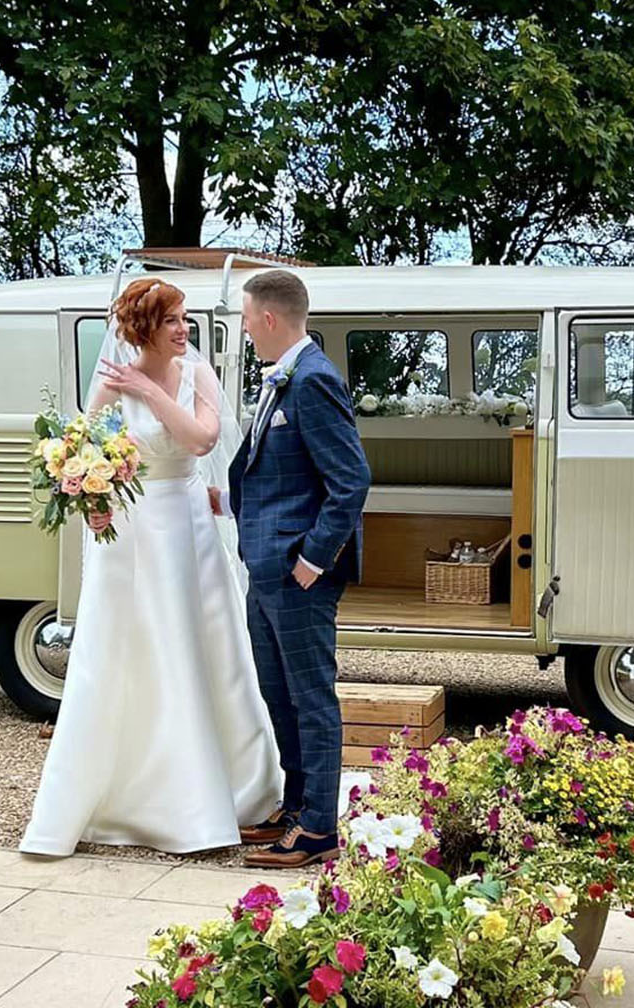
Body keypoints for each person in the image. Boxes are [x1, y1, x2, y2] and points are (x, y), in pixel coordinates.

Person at [18, 278, 282, 856]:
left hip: (185, 526)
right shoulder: (112, 384)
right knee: (122, 652)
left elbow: (201, 439)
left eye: (184, 319)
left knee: (198, 644)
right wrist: (92, 501)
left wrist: (150, 390)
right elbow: (85, 450)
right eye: (172, 321)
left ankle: (224, 791)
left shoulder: (196, 374)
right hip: (129, 532)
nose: (183, 329)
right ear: (144, 328)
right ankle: (116, 795)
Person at [226, 269, 372, 868]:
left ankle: (319, 829)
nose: (243, 328)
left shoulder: (312, 379)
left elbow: (352, 479)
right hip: (267, 564)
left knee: (310, 697)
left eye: (245, 317)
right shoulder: (285, 377)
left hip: (296, 569)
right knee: (276, 691)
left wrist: (314, 557)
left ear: (267, 319)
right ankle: (296, 806)